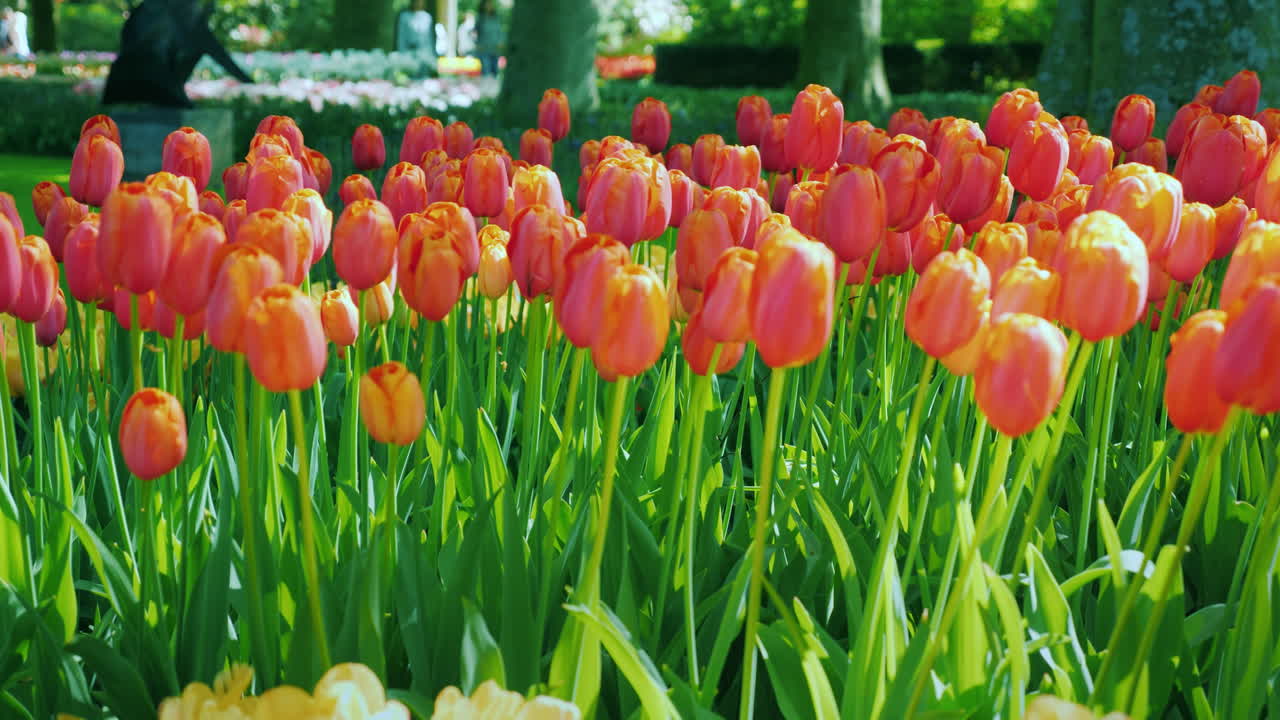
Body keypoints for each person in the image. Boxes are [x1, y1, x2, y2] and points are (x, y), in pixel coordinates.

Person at [474, 0, 503, 77]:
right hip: (484, 48)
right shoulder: (480, 18)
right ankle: (486, 87)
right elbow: (474, 32)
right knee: (486, 70)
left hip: (494, 48)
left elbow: (499, 31)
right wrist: (476, 43)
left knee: (495, 70)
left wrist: (500, 41)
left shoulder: (495, 18)